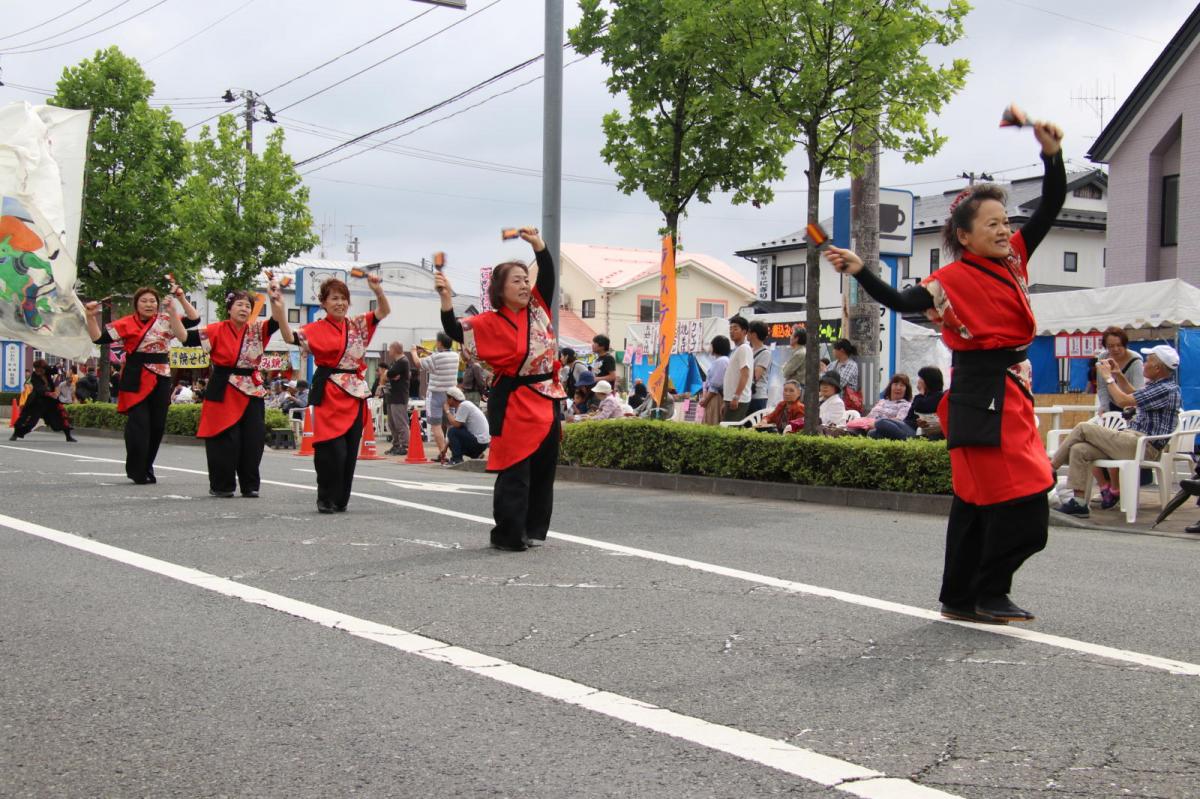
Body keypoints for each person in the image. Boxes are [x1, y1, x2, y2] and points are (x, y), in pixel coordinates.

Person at [824, 116, 1066, 624]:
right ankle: (985, 591)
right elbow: (898, 297)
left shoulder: (1014, 262)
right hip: (980, 392)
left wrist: (1051, 155)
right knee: (1019, 504)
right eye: (992, 224)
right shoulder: (948, 280)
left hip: (1009, 391)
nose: (1005, 230)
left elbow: (1049, 208)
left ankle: (965, 596)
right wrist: (861, 268)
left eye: (1006, 222)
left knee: (981, 503)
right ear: (963, 234)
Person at [436, 226, 565, 552]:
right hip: (516, 401)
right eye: (516, 281)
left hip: (547, 397)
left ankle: (533, 529)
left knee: (543, 468)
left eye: (525, 279)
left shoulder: (538, 308)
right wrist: (447, 298)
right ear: (499, 289)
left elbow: (547, 274)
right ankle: (508, 533)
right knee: (516, 470)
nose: (524, 285)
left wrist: (538, 245)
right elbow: (454, 329)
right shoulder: (488, 322)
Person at [276, 273, 390, 513]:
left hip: (355, 392)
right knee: (331, 449)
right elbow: (288, 336)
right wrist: (279, 308)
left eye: (344, 298)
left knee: (349, 451)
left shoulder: (357, 325)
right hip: (330, 391)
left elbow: (383, 311)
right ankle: (325, 496)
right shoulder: (315, 328)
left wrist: (377, 291)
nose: (340, 303)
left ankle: (340, 500)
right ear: (324, 303)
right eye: (334, 298)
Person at [84, 283, 200, 484]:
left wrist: (181, 298)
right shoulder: (126, 323)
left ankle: (147, 466)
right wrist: (90, 316)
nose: (149, 304)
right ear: (136, 304)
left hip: (161, 377)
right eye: (144, 301)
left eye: (152, 301)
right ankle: (136, 470)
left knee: (157, 426)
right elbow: (98, 338)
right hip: (135, 376)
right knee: (139, 426)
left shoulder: (166, 320)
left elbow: (194, 319)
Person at [182, 284, 288, 498]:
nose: (244, 309)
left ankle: (250, 485)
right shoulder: (216, 329)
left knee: (253, 439)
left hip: (252, 388)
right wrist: (174, 315)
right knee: (223, 438)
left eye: (248, 306)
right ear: (229, 309)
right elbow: (186, 338)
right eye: (239, 304)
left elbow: (277, 321)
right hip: (223, 385)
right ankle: (222, 485)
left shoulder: (258, 330)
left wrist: (277, 302)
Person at [1051, 345, 1181, 517]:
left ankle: (1048, 470)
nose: (1144, 365)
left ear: (1157, 368)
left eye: (1148, 361)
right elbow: (1133, 394)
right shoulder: (1160, 386)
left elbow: (1122, 401)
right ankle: (1079, 503)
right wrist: (1118, 374)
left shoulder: (1165, 389)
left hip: (1141, 445)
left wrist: (1107, 378)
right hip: (1133, 442)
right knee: (1079, 449)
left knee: (1083, 428)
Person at [11, 359, 77, 442]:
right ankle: (16, 433)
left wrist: (61, 362)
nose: (38, 371)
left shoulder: (47, 372)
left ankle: (68, 436)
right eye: (36, 369)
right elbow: (39, 390)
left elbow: (54, 369)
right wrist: (49, 394)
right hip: (37, 402)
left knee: (60, 416)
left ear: (44, 368)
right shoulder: (34, 377)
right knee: (30, 422)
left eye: (40, 369)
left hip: (50, 402)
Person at [872, 367, 945, 441]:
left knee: (880, 422)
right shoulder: (923, 396)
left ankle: (910, 439)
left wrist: (921, 392)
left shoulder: (938, 395)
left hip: (912, 430)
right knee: (873, 433)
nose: (918, 381)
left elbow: (921, 407)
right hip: (906, 425)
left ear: (928, 380)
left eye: (921, 378)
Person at [422, 332, 460, 463]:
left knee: (436, 426)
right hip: (450, 395)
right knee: (451, 424)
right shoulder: (455, 356)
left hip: (436, 394)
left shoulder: (436, 357)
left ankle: (443, 454)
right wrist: (427, 352)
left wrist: (414, 352)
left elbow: (418, 363)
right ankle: (454, 452)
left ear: (439, 343)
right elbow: (439, 357)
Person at [1095, 326, 1144, 413]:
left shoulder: (1136, 361)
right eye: (1111, 346)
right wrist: (1104, 406)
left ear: (1125, 344)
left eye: (1119, 345)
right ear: (1105, 346)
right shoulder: (1103, 358)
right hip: (1112, 404)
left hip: (1132, 407)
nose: (1115, 349)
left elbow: (1139, 392)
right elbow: (1102, 387)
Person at [847, 374, 912, 434]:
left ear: (906, 389)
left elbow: (898, 421)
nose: (898, 388)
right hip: (866, 426)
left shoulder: (905, 405)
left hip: (882, 430)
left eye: (902, 385)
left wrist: (876, 424)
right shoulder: (882, 401)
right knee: (849, 430)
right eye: (895, 384)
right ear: (890, 387)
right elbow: (869, 417)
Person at [444, 386, 490, 464]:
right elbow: (460, 427)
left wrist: (447, 411)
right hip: (482, 443)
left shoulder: (463, 406)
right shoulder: (465, 405)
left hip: (478, 443)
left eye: (447, 398)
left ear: (451, 399)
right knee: (453, 437)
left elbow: (456, 425)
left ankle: (456, 459)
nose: (446, 401)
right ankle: (476, 455)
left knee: (452, 431)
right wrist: (445, 448)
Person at [724, 315, 753, 423]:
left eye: (735, 328)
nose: (732, 331)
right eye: (730, 329)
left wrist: (736, 397)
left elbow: (745, 374)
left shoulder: (744, 349)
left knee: (730, 431)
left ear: (744, 332)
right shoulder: (737, 349)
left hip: (738, 399)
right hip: (732, 398)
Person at [384, 342, 411, 456]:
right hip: (392, 396)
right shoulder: (395, 362)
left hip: (399, 397)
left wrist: (388, 374)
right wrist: (388, 374)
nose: (389, 351)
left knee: (400, 423)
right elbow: (387, 375)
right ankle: (396, 445)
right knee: (392, 423)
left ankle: (404, 446)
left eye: (390, 348)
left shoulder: (403, 362)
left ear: (395, 349)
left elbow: (389, 373)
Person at [700, 335, 730, 425]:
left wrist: (705, 400)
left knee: (711, 421)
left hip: (715, 398)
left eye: (711, 345)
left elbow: (715, 386)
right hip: (715, 396)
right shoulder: (723, 360)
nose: (710, 348)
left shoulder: (721, 361)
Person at [825, 339, 861, 412]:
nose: (833, 351)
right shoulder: (833, 364)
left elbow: (841, 382)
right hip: (830, 400)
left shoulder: (851, 365)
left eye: (834, 349)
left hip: (844, 403)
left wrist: (825, 373)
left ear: (841, 350)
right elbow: (823, 379)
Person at [747, 320, 772, 413]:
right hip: (747, 395)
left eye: (748, 331)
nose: (746, 334)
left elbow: (756, 376)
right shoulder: (749, 350)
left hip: (758, 396)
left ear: (754, 334)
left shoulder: (765, 353)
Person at [782, 328, 807, 394]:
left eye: (792, 335)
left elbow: (785, 372)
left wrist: (784, 366)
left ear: (796, 338)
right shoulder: (800, 351)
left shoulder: (799, 353)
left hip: (796, 390)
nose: (790, 337)